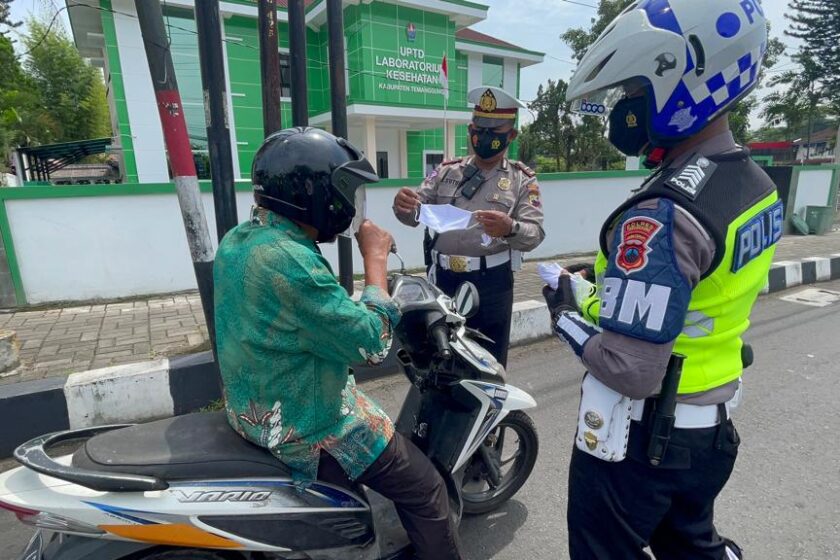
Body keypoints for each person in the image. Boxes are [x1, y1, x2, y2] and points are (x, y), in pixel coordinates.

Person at [544, 1, 779, 558]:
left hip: (641, 439)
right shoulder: (754, 182)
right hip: (710, 432)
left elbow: (631, 369)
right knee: (690, 547)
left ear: (683, 78)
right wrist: (606, 285)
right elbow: (698, 287)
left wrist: (565, 316)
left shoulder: (664, 212)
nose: (622, 109)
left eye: (631, 92)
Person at [214, 127, 462, 560]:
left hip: (254, 406)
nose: (348, 202)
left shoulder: (242, 240)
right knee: (426, 490)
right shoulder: (292, 262)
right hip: (312, 426)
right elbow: (371, 345)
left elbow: (297, 315)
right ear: (312, 192)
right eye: (343, 189)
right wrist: (376, 262)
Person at [392, 86, 545, 366]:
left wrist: (509, 228)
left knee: (489, 364)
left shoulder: (522, 180)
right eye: (479, 129)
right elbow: (414, 213)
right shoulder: (447, 172)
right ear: (470, 129)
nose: (484, 137)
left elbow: (534, 234)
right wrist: (402, 205)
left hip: (492, 285)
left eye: (493, 132)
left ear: (511, 135)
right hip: (443, 281)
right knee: (437, 362)